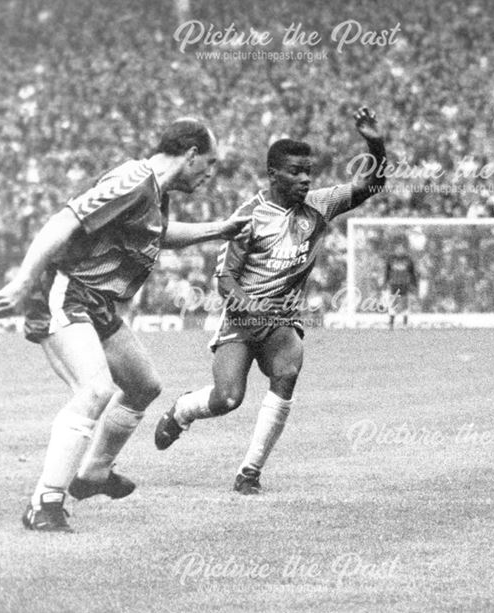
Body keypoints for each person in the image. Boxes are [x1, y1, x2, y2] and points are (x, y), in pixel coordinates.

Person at [0, 118, 250, 532]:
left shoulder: (155, 194)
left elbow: (157, 235)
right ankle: (45, 503)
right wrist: (21, 281)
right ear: (190, 154)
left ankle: (94, 475)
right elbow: (63, 221)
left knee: (143, 385)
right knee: (95, 390)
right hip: (66, 290)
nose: (210, 173)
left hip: (99, 303)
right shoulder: (133, 180)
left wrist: (219, 229)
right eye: (209, 163)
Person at [154, 107, 387, 494]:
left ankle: (250, 471)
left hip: (281, 320)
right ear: (273, 173)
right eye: (295, 171)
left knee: (288, 371)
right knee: (228, 398)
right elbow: (224, 278)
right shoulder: (250, 216)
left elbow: (371, 187)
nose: (305, 178)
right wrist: (248, 304)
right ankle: (182, 410)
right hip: (243, 321)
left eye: (308, 171)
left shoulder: (320, 204)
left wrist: (375, 143)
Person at [382, 240, 419, 329]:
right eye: (398, 248)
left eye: (402, 248)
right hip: (394, 284)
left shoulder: (408, 260)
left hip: (404, 284)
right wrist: (385, 283)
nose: (400, 250)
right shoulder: (391, 259)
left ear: (404, 249)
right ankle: (391, 323)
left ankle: (405, 324)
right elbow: (387, 272)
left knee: (405, 304)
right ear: (395, 249)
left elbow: (412, 273)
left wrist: (414, 284)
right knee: (393, 304)